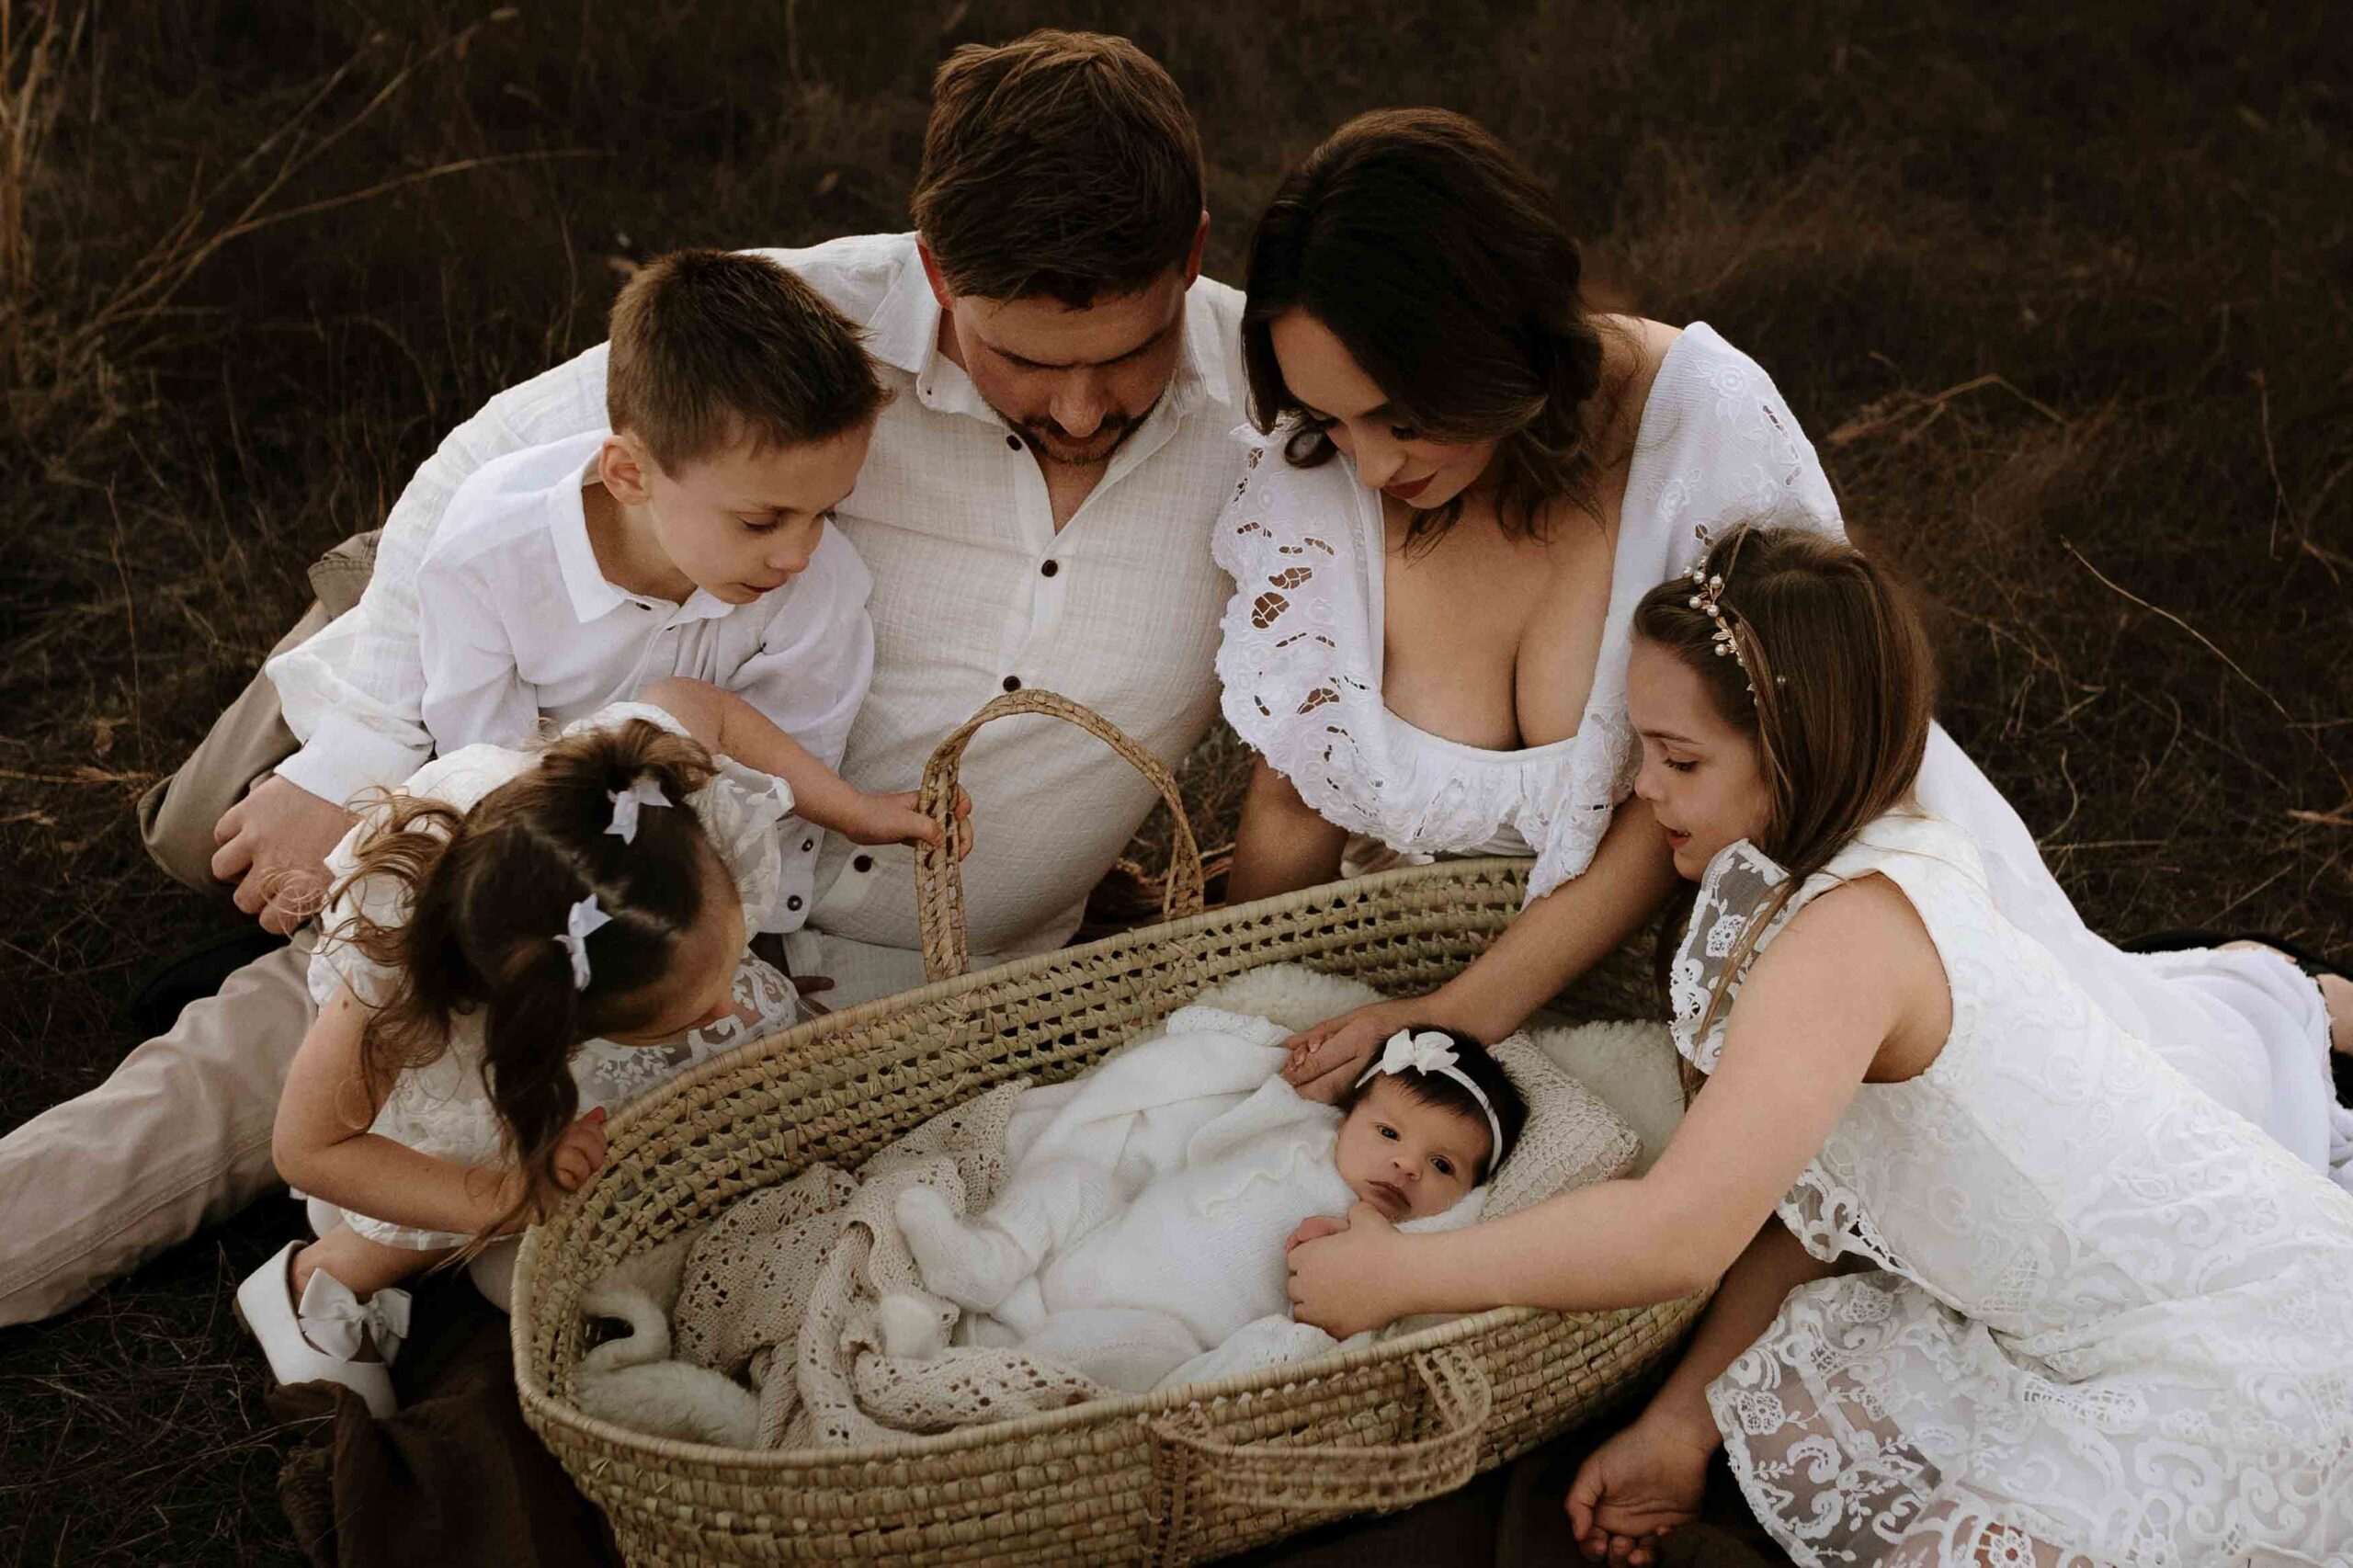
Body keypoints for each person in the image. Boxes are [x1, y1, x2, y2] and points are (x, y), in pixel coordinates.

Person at [0, 30, 1246, 1327]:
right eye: (1032, 362)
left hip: (905, 1007)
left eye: (1128, 356)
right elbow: (480, 473)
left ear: (1194, 256)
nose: (1087, 408)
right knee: (232, 1099)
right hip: (593, 889)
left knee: (646, 1275)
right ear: (939, 274)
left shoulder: (1276, 413)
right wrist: (359, 744)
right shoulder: (797, 330)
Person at [1228, 109, 2352, 1193]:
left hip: (1773, 889)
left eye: (1402, 418)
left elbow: (1695, 787)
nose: (1369, 468)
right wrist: (1235, 1023)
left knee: (2097, 1143)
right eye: (1335, 424)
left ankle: (2280, 1002)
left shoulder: (1695, 422)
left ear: (1493, 347)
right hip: (1475, 984)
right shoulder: (1318, 479)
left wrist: (1457, 1015)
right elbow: (1292, 796)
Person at [1282, 527, 2353, 1566]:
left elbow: (1676, 1234)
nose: (1643, 785)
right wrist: (1677, 1426)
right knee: (1790, 1413)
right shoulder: (1806, 872)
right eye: (1640, 745)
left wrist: (1399, 1269)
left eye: (1679, 757)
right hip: (2061, 1315)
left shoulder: (1847, 936)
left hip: (2235, 1330)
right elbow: (1815, 1196)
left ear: (1794, 754)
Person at [891, 1023, 1524, 1392]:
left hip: (1161, 1329)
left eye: (1442, 1166)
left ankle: (947, 1374)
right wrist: (1303, 1073)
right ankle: (981, 1262)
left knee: (1103, 1350)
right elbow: (1239, 1110)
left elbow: (1353, 1305)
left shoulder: (1384, 1239)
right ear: (1351, 1114)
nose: (1407, 1165)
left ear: (1466, 1192)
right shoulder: (1312, 1128)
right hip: (1106, 1237)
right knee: (1075, 1180)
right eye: (1389, 1134)